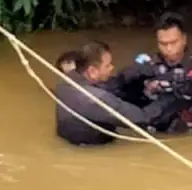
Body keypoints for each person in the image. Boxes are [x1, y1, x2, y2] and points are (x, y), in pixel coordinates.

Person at [107, 12, 192, 133]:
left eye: (173, 43)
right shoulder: (149, 61)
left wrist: (190, 89)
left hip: (182, 129)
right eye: (163, 44)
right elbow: (119, 81)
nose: (168, 48)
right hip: (148, 122)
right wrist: (134, 75)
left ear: (184, 39)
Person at [54, 41, 183, 146]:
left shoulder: (64, 83)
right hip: (95, 148)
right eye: (107, 65)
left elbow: (108, 85)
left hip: (70, 138)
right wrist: (170, 98)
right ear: (92, 71)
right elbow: (143, 118)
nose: (112, 68)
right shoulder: (98, 99)